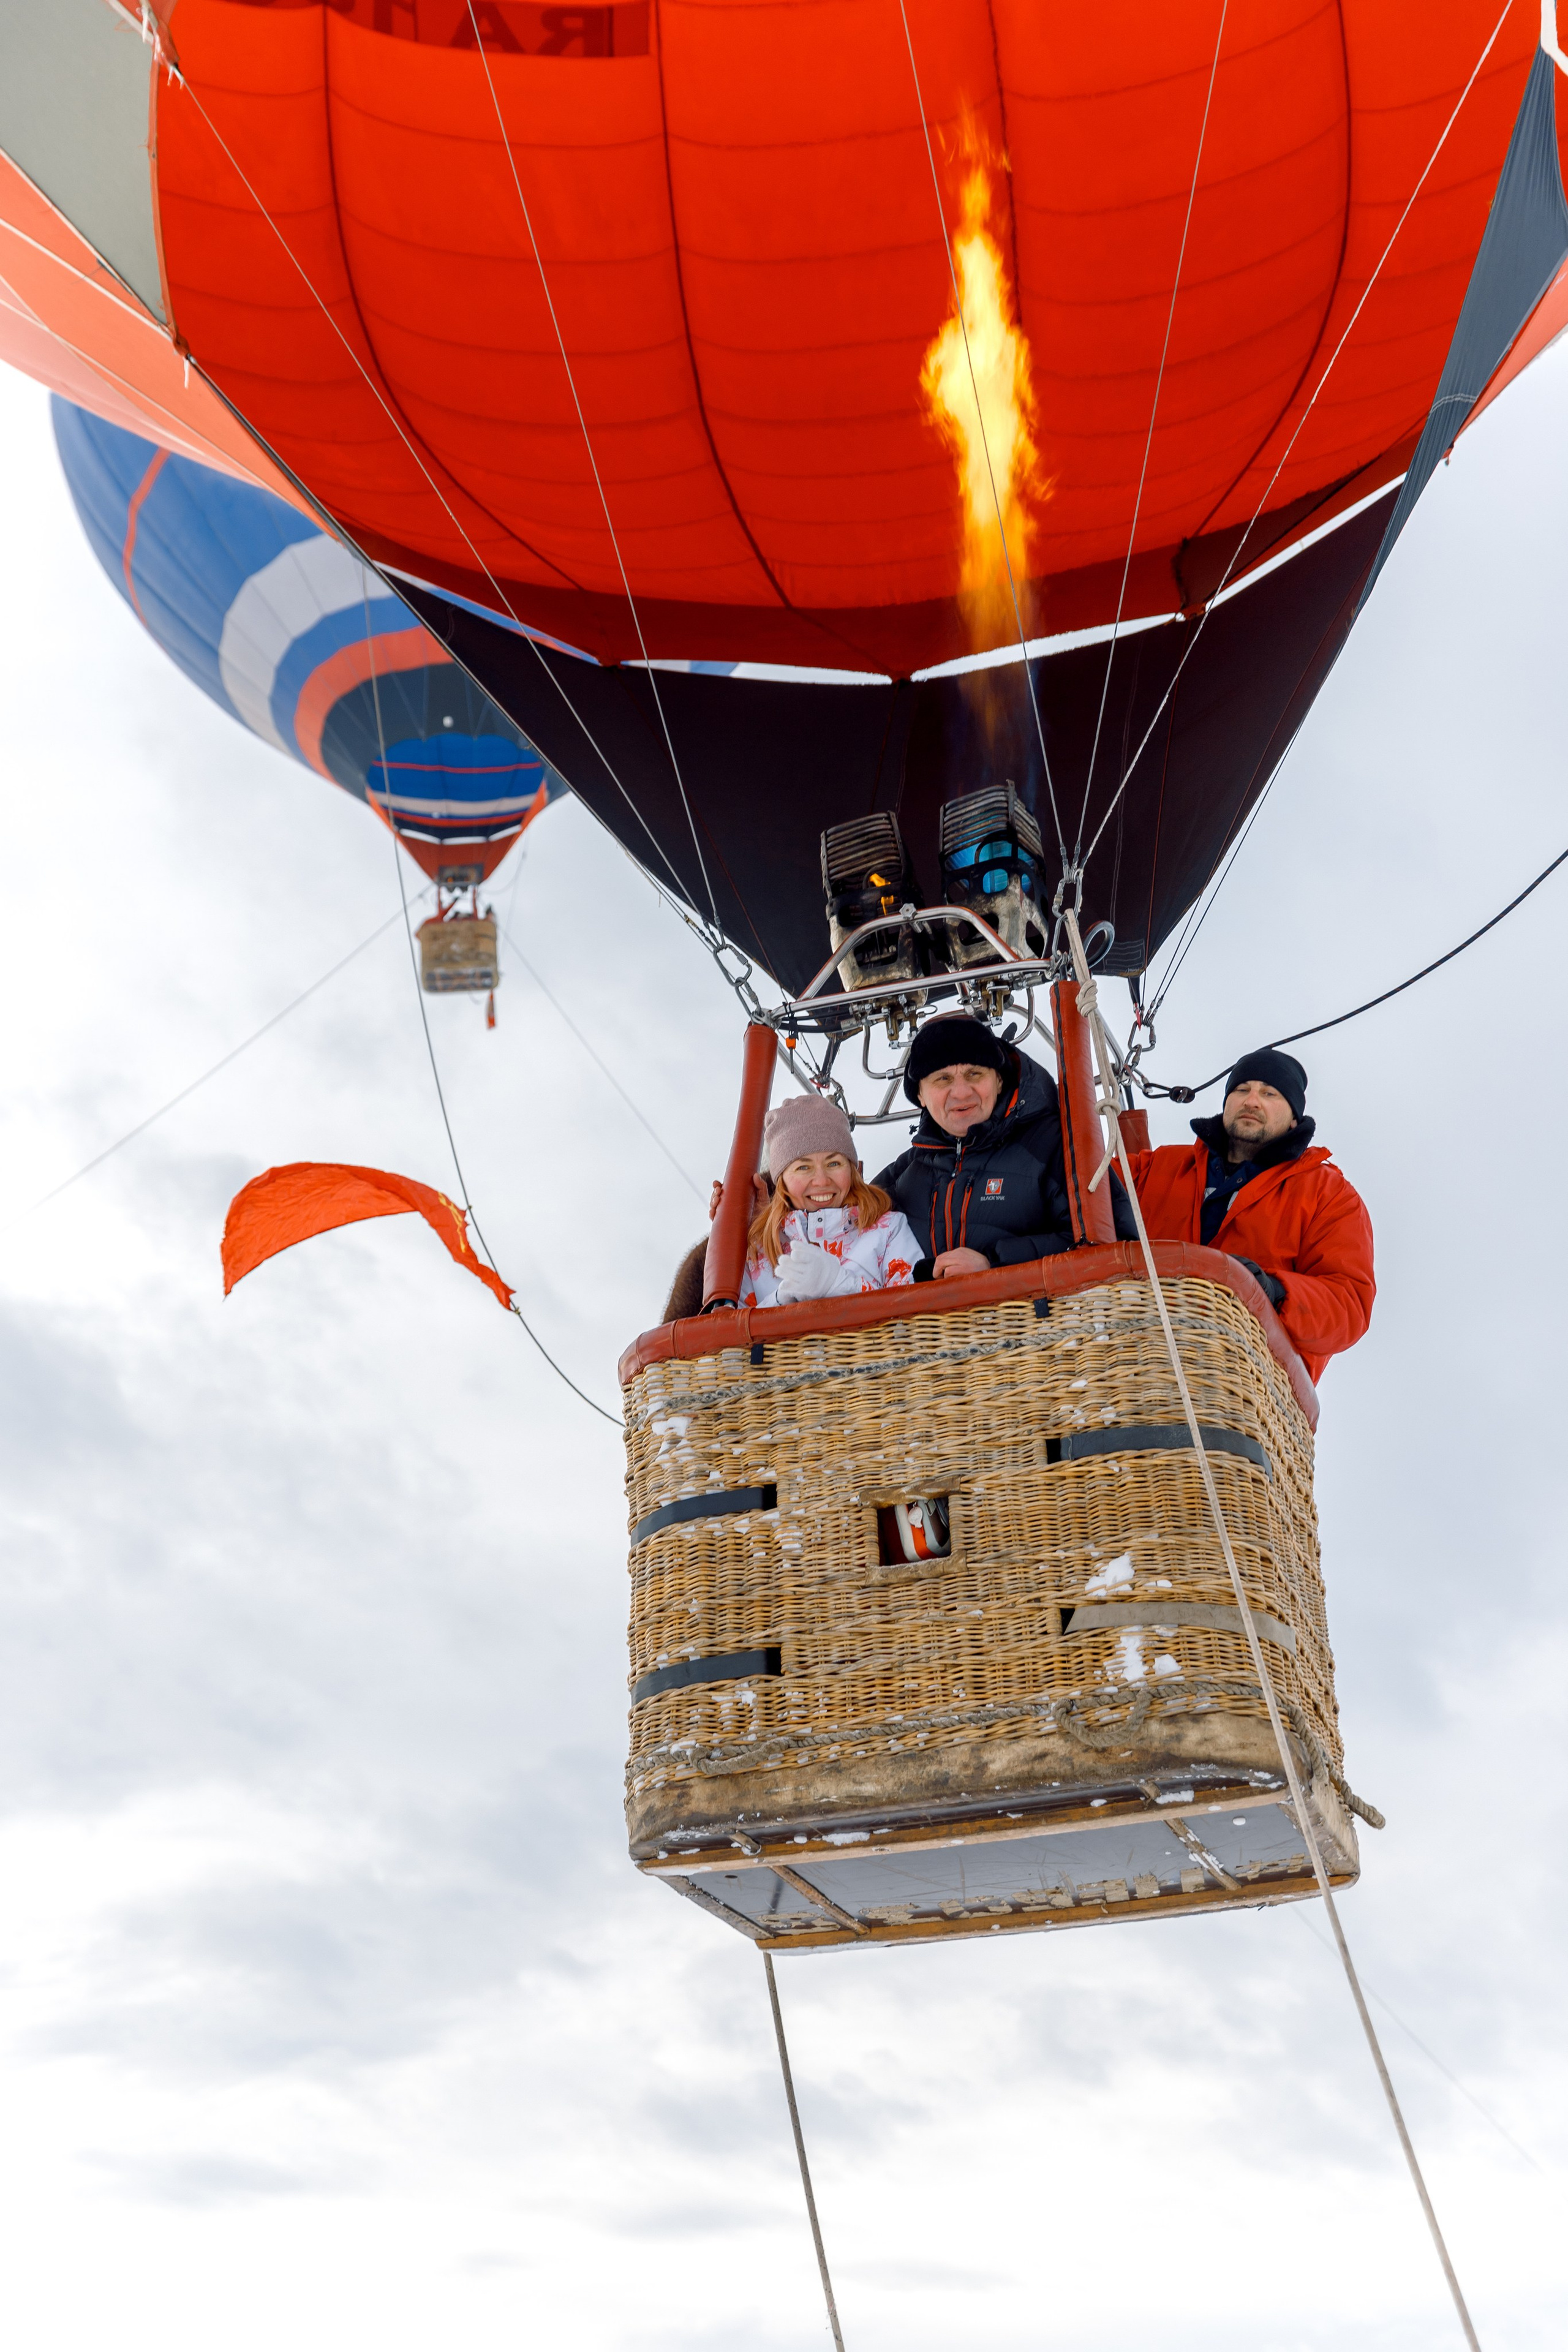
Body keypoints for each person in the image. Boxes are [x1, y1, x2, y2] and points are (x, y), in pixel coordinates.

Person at [1126, 1046, 1374, 1382]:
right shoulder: (1159, 1166)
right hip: (1133, 1360)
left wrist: (1274, 1291)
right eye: (1242, 1090)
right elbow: (1082, 1187)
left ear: (1294, 1119)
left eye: (1270, 1093)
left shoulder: (1328, 1194)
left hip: (1248, 1383)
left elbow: (1349, 1307)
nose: (1252, 1101)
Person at [873, 1013, 1136, 1276]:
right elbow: (851, 1237)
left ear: (999, 1081)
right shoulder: (905, 1174)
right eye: (943, 1079)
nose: (962, 1092)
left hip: (1040, 1303)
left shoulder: (1054, 1148)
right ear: (920, 1094)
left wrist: (995, 1264)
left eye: (975, 1074)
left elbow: (1112, 1245)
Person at [738, 1095, 921, 1308]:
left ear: (852, 1169)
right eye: (803, 1167)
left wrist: (838, 1284)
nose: (822, 1181)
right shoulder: (756, 1249)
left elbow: (914, 1308)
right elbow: (728, 1325)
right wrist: (781, 1301)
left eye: (834, 1164)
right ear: (781, 1180)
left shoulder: (888, 1230)